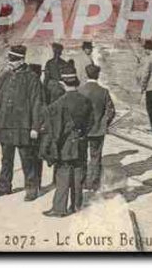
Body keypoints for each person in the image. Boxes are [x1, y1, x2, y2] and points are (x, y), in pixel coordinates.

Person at [0, 45, 44, 201]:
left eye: (14, 60)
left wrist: (35, 127)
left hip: (23, 127)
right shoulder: (5, 76)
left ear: (22, 60)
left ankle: (31, 189)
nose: (10, 63)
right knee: (6, 159)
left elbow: (37, 104)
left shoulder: (32, 78)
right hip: (5, 125)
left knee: (27, 159)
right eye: (10, 59)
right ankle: (4, 187)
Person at [41, 62, 93, 217]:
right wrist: (81, 135)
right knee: (78, 175)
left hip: (65, 146)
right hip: (81, 144)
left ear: (63, 83)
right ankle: (76, 205)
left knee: (63, 176)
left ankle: (59, 209)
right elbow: (91, 122)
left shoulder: (58, 104)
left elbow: (55, 131)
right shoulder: (85, 101)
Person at [80, 64, 115, 191]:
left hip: (82, 131)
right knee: (95, 157)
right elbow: (111, 111)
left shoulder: (80, 90)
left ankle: (82, 181)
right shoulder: (104, 91)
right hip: (98, 130)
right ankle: (94, 183)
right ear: (98, 75)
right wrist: (105, 123)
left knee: (81, 156)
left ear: (86, 74)